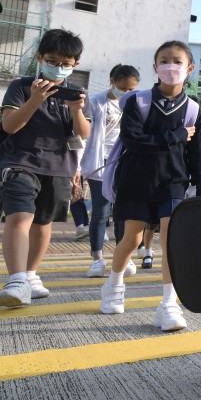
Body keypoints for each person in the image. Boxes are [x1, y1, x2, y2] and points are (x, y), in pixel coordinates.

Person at [99, 41, 201, 332]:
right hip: (136, 181)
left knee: (171, 244)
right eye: (164, 60)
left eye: (177, 61)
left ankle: (169, 305)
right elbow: (134, 141)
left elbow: (199, 154)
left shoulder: (194, 109)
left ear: (190, 69)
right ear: (155, 67)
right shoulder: (139, 102)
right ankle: (114, 285)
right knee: (131, 241)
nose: (170, 66)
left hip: (173, 183)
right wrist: (176, 135)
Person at [0, 29, 90, 307]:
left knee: (43, 223)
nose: (58, 67)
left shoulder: (77, 96)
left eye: (66, 63)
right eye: (52, 60)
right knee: (20, 217)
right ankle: (16, 280)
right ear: (39, 58)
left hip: (59, 167)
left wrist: (75, 110)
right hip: (19, 162)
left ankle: (31, 275)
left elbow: (82, 134)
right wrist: (36, 99)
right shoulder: (21, 86)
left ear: (75, 65)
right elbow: (10, 126)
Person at [78, 64, 140, 277]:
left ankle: (124, 257)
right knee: (101, 212)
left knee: (123, 212)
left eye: (131, 89)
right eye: (123, 87)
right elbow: (83, 134)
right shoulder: (95, 102)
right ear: (112, 81)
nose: (126, 92)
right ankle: (97, 259)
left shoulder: (137, 104)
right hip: (100, 162)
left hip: (125, 162)